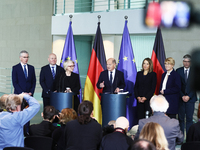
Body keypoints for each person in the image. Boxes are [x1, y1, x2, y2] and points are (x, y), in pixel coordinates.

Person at [176, 54, 197, 135]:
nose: (186, 63)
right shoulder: (178, 71)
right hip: (181, 98)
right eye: (185, 61)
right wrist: (182, 96)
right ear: (183, 62)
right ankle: (181, 137)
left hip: (191, 99)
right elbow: (177, 85)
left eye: (188, 61)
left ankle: (189, 138)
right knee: (181, 119)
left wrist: (188, 96)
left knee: (189, 119)